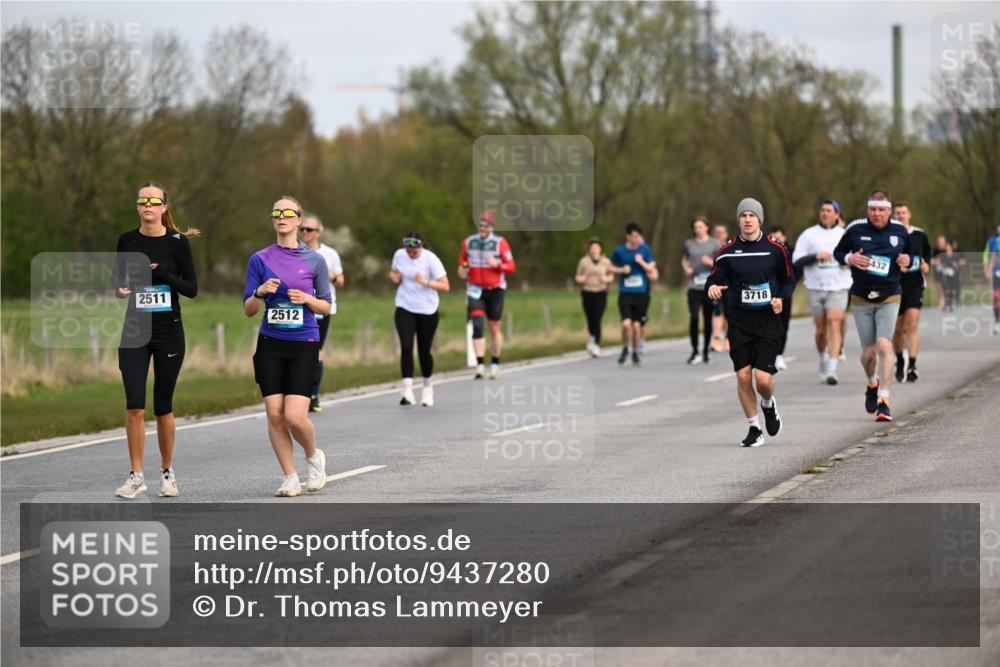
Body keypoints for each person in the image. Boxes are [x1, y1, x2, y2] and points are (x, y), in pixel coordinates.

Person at [113, 182, 199, 499]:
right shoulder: (127, 241)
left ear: (164, 207)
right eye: (142, 200)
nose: (147, 205)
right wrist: (120, 290)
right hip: (135, 330)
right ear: (138, 207)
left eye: (154, 201)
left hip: (168, 332)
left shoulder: (177, 243)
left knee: (163, 407)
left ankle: (167, 473)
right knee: (135, 405)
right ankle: (136, 475)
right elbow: (116, 281)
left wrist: (164, 274)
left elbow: (191, 289)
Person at [243, 196, 332, 497]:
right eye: (276, 213)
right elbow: (249, 309)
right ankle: (289, 476)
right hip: (270, 343)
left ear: (298, 219)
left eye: (287, 213)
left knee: (295, 416)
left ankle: (313, 457)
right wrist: (258, 291)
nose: (281, 217)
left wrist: (307, 300)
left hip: (303, 343)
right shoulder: (259, 259)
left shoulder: (315, 261)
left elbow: (326, 306)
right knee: (275, 413)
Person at [706, 198, 792, 447]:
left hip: (766, 321)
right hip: (740, 321)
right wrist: (712, 287)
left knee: (763, 380)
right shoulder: (727, 251)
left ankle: (768, 403)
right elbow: (714, 278)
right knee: (744, 376)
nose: (747, 219)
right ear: (739, 220)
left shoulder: (776, 249)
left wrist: (780, 299)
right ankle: (754, 428)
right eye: (743, 215)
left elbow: (788, 280)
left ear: (759, 219)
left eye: (752, 215)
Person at [833, 189, 912, 422]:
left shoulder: (899, 231)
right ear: (868, 210)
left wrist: (907, 260)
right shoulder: (856, 229)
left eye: (881, 210)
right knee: (868, 354)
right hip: (861, 296)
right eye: (873, 209)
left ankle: (884, 401)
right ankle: (871, 384)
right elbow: (839, 252)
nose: (877, 214)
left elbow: (911, 255)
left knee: (884, 346)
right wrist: (850, 259)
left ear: (889, 211)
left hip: (890, 295)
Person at [792, 200, 852, 384]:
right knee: (820, 329)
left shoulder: (845, 234)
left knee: (834, 323)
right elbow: (796, 260)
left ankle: (832, 368)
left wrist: (847, 260)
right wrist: (815, 256)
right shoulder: (808, 235)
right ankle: (823, 358)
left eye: (829, 210)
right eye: (822, 210)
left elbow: (857, 258)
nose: (825, 213)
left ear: (837, 214)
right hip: (815, 286)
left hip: (839, 286)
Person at [389, 232, 449, 406]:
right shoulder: (399, 255)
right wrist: (394, 277)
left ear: (421, 247)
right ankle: (407, 392)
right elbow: (394, 273)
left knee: (424, 351)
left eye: (414, 251)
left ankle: (427, 387)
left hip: (427, 309)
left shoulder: (431, 259)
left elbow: (445, 285)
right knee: (406, 347)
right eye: (409, 250)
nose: (411, 254)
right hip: (404, 305)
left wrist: (425, 282)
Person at [458, 211, 516, 379]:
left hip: (496, 289)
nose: (483, 228)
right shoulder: (468, 242)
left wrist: (498, 265)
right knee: (477, 325)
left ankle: (495, 362)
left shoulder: (500, 243)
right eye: (481, 225)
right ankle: (480, 365)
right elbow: (463, 262)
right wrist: (463, 268)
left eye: (486, 226)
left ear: (492, 227)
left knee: (494, 328)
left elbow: (511, 266)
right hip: (475, 289)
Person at [300, 213, 344, 412]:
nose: (305, 233)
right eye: (303, 229)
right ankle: (299, 392)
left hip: (322, 307)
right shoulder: (296, 251)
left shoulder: (330, 254)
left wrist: (333, 277)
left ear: (319, 233)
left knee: (316, 350)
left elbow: (341, 282)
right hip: (299, 306)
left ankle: (314, 394)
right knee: (301, 349)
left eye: (309, 230)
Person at [891, 202, 933, 383]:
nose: (901, 215)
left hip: (915, 285)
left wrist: (925, 265)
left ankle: (912, 366)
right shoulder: (890, 234)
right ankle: (900, 360)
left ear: (909, 214)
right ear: (893, 215)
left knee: (912, 325)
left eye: (903, 213)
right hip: (894, 286)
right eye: (897, 213)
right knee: (898, 329)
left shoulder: (920, 234)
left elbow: (927, 256)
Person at [610, 223, 658, 366]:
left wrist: (641, 262)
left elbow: (651, 268)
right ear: (628, 236)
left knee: (637, 326)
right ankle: (625, 348)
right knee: (626, 324)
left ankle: (635, 352)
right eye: (634, 236)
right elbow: (610, 266)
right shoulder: (619, 251)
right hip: (625, 293)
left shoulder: (645, 250)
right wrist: (621, 270)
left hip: (641, 293)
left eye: (639, 237)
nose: (637, 239)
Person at [681, 217, 721, 364]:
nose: (698, 229)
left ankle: (705, 351)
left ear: (707, 227)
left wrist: (710, 262)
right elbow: (684, 259)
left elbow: (721, 263)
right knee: (694, 317)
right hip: (693, 286)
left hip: (709, 287)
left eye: (700, 227)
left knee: (707, 318)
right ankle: (695, 351)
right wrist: (686, 269)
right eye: (695, 227)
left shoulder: (714, 244)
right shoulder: (689, 244)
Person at [575, 237, 614, 357]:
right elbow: (577, 277)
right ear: (589, 249)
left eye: (597, 247)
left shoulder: (606, 261)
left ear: (600, 249)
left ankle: (596, 343)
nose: (595, 249)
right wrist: (582, 279)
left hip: (601, 292)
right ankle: (592, 337)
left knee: (597, 318)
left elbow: (611, 276)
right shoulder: (583, 261)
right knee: (590, 318)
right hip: (587, 292)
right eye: (592, 247)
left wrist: (606, 279)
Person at [767, 225, 797, 371]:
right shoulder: (766, 251)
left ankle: (779, 355)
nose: (776, 240)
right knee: (769, 325)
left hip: (785, 293)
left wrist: (791, 286)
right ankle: (768, 355)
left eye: (779, 238)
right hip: (768, 293)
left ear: (784, 237)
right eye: (773, 238)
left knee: (783, 325)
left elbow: (797, 269)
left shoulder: (791, 251)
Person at [710, 223, 731, 352]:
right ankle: (716, 339)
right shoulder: (710, 246)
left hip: (729, 283)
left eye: (721, 233)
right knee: (717, 311)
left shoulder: (731, 246)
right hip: (715, 283)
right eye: (716, 232)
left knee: (729, 312)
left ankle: (729, 338)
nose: (718, 235)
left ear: (726, 234)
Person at [936, 239, 962, 311]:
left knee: (951, 289)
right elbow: (938, 262)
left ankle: (950, 304)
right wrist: (940, 265)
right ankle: (945, 304)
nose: (948, 249)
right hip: (945, 275)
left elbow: (958, 263)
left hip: (953, 275)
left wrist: (956, 265)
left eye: (949, 248)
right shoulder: (943, 256)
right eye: (946, 248)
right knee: (945, 289)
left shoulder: (955, 255)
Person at [985, 225, 1000, 334]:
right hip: (997, 273)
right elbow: (993, 255)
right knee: (996, 297)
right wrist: (989, 269)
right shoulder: (997, 241)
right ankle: (997, 322)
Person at [932, 234, 950, 310]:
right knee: (939, 286)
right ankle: (942, 299)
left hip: (946, 270)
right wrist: (936, 262)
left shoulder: (948, 249)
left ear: (945, 242)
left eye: (942, 241)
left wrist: (943, 262)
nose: (941, 242)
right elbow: (931, 260)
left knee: (945, 286)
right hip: (937, 270)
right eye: (939, 241)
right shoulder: (935, 250)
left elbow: (950, 258)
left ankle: (945, 300)